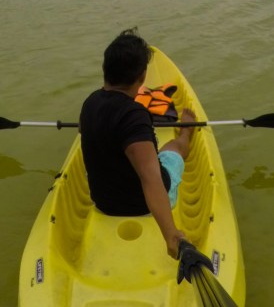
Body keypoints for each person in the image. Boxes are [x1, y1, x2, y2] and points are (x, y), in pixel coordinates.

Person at [79, 28, 195, 259]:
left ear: (105, 70)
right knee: (173, 148)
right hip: (139, 207)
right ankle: (187, 132)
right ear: (142, 78)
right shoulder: (134, 115)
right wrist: (171, 236)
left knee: (144, 154)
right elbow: (150, 177)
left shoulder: (89, 103)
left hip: (104, 203)